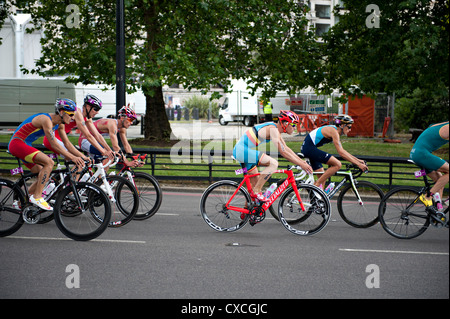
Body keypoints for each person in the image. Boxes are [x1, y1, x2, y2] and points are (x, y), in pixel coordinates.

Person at [8, 99, 85, 210]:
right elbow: (53, 144)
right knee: (49, 163)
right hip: (17, 143)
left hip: (25, 145)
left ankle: (22, 202)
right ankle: (37, 197)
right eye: (71, 114)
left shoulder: (59, 124)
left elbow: (67, 143)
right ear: (62, 112)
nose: (73, 118)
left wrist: (82, 157)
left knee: (43, 175)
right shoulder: (46, 120)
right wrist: (72, 157)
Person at [233, 110, 312, 202]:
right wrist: (302, 165)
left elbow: (286, 148)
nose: (295, 128)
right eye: (294, 125)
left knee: (256, 186)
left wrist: (302, 162)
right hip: (242, 151)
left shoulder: (276, 129)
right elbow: (283, 152)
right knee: (273, 164)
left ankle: (248, 213)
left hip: (242, 151)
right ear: (286, 123)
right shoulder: (273, 129)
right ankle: (257, 191)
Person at [300, 114, 368, 189]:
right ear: (342, 125)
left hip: (309, 148)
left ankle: (318, 198)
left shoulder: (334, 130)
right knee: (337, 164)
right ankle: (316, 185)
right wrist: (358, 164)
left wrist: (358, 161)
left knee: (322, 176)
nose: (350, 129)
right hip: (309, 148)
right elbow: (341, 153)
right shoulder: (334, 132)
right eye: (349, 127)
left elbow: (343, 151)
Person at [44, 94, 114, 161]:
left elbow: (97, 135)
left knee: (80, 161)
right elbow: (88, 135)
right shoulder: (77, 112)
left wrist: (109, 150)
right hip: (52, 138)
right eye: (96, 109)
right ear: (88, 107)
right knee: (80, 160)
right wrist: (103, 151)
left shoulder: (87, 117)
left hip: (62, 138)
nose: (97, 112)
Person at [410, 121, 449, 212]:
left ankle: (438, 212)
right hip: (422, 154)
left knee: (440, 180)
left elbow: (430, 128)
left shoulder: (442, 124)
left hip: (416, 153)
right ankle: (428, 197)